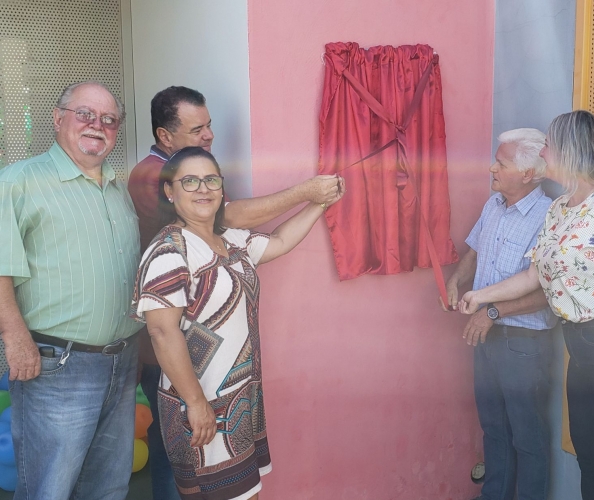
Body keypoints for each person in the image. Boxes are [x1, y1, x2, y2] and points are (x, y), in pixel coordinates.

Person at [128, 85, 342, 499]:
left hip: (237, 396)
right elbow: (162, 331)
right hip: (199, 398)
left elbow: (278, 242)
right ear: (170, 191)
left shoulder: (230, 240)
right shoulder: (168, 249)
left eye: (211, 180)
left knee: (245, 491)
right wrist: (196, 403)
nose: (203, 189)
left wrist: (320, 205)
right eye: (190, 182)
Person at [460, 110, 594, 500]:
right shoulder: (561, 207)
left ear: (570, 149)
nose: (544, 152)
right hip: (577, 347)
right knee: (589, 458)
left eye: (548, 144)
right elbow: (534, 277)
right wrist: (480, 296)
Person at [0, 81, 141, 499]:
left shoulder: (117, 187)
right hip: (57, 365)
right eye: (85, 114)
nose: (97, 125)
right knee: (50, 488)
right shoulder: (18, 181)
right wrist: (15, 340)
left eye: (109, 119)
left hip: (122, 361)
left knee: (108, 485)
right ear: (58, 119)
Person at [441, 129, 556, 500]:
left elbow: (548, 293)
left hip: (524, 343)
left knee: (528, 437)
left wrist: (491, 311)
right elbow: (474, 252)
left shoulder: (549, 216)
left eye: (501, 163)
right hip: (486, 337)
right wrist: (456, 281)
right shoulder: (494, 205)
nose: (492, 168)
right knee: (493, 431)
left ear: (528, 174)